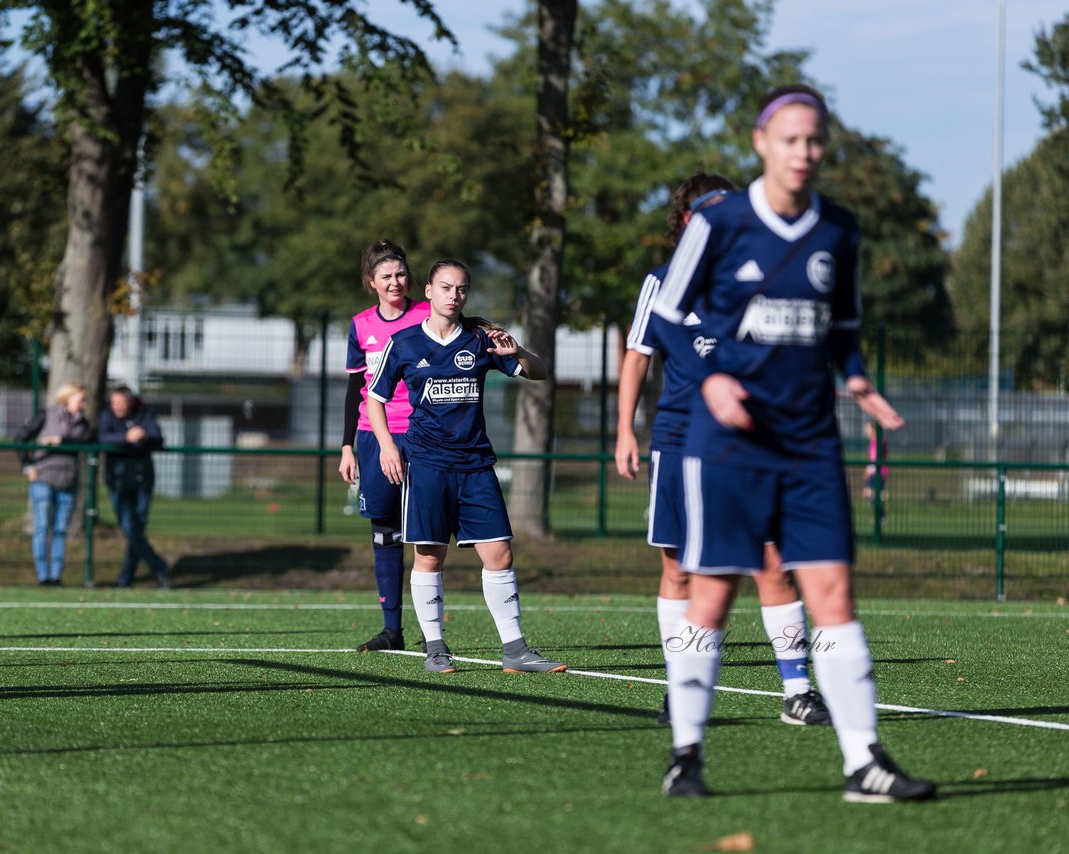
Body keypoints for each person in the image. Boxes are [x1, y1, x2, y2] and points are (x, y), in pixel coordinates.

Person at [649, 85, 935, 802]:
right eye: (790, 140)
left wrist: (861, 381)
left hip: (809, 442)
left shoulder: (838, 229)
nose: (803, 153)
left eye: (814, 141)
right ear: (761, 143)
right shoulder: (719, 221)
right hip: (728, 443)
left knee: (833, 591)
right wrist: (712, 378)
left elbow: (843, 328)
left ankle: (863, 761)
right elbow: (670, 312)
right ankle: (686, 754)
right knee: (711, 594)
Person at [615, 172, 831, 728]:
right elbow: (638, 357)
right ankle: (680, 687)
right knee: (680, 570)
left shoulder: (760, 279)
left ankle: (799, 692)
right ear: (687, 221)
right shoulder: (660, 282)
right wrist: (624, 431)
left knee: (773, 563)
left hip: (750, 442)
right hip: (680, 440)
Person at [367, 259, 565, 675]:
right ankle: (436, 649)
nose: (453, 296)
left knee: (500, 555)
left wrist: (521, 353)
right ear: (429, 292)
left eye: (460, 289)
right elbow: (375, 399)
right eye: (445, 287)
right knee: (429, 557)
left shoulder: (481, 340)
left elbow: (539, 373)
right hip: (427, 467)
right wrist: (387, 446)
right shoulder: (403, 344)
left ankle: (515, 651)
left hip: (476, 466)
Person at [338, 239, 431, 653]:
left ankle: (435, 633)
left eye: (401, 274)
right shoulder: (360, 326)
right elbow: (355, 387)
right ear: (370, 282)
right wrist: (346, 447)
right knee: (385, 532)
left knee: (429, 533)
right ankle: (392, 630)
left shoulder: (429, 314)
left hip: (424, 435)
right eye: (386, 276)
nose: (396, 282)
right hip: (373, 438)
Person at [99, 386, 170, 588]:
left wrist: (144, 435)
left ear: (130, 402)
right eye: (115, 403)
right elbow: (101, 437)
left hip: (142, 479)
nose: (118, 407)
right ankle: (158, 565)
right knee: (130, 528)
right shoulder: (106, 415)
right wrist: (126, 438)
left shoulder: (145, 414)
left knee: (136, 529)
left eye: (122, 403)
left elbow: (158, 437)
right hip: (117, 480)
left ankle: (125, 579)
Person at [23, 382, 94, 586]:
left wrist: (61, 439)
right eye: (81, 399)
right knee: (43, 527)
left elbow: (88, 440)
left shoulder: (82, 423)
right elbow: (21, 437)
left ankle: (56, 575)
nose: (83, 404)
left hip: (68, 480)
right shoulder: (46, 415)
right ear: (67, 398)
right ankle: (43, 575)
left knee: (61, 529)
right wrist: (28, 466)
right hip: (43, 478)